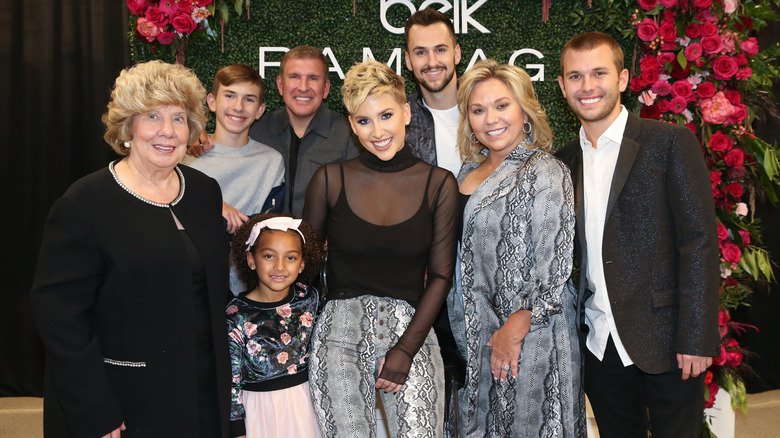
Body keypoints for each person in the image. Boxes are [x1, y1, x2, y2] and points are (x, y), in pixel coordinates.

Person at [30, 60, 232, 437]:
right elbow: (60, 319)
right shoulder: (84, 204)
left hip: (203, 389)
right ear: (127, 127)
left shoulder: (204, 191)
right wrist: (94, 408)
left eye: (179, 118)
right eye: (152, 116)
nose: (168, 131)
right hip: (126, 397)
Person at [555, 32, 719, 438]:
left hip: (668, 342)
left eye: (598, 73)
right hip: (599, 345)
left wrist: (696, 335)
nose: (587, 86)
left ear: (623, 78)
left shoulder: (668, 142)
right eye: (575, 76)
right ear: (561, 86)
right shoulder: (562, 161)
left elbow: (698, 241)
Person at [303, 59, 458, 437]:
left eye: (386, 114)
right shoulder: (329, 180)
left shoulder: (439, 184)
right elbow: (304, 266)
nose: (378, 131)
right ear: (352, 125)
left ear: (406, 113)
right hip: (338, 335)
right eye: (364, 120)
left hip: (412, 331)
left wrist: (405, 349)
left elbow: (441, 276)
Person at [450, 59, 585, 438]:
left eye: (501, 105)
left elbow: (555, 262)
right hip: (474, 334)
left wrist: (517, 326)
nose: (490, 118)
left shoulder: (545, 170)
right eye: (478, 110)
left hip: (530, 336)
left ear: (524, 109)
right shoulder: (466, 171)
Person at [190, 46, 359, 217]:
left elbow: (359, 198)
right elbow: (226, 137)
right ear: (280, 84)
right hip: (262, 239)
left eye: (313, 78)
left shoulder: (349, 135)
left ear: (326, 88)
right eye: (294, 76)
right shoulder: (256, 128)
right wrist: (192, 137)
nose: (303, 87)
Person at [181, 64, 285, 294]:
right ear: (211, 101)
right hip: (191, 284)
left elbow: (266, 227)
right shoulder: (186, 155)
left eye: (249, 99)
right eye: (230, 96)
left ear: (260, 110)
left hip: (248, 288)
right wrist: (214, 204)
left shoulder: (271, 161)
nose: (238, 107)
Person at [226, 214, 325, 438]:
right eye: (269, 256)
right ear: (251, 260)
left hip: (306, 406)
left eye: (290, 258)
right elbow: (231, 382)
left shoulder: (309, 298)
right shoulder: (235, 316)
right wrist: (237, 430)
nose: (279, 266)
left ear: (302, 264)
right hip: (260, 414)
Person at [404, 8, 463, 176]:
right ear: (409, 61)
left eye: (440, 50)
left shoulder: (488, 114)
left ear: (456, 54)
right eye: (421, 52)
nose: (432, 62)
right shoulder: (398, 121)